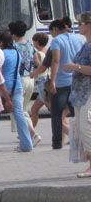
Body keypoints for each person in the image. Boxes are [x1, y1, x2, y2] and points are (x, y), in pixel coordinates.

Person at [33, 18, 84, 150]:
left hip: (61, 83)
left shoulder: (56, 41)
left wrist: (53, 81)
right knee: (76, 114)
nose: (52, 35)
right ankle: (81, 141)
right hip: (76, 81)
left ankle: (56, 143)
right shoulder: (78, 39)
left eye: (52, 32)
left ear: (55, 29)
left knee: (56, 114)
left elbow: (56, 60)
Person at [61, 12, 91, 177]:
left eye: (80, 24)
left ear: (88, 25)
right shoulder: (85, 44)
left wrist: (75, 67)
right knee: (81, 129)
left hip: (88, 92)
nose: (78, 27)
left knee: (86, 128)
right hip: (80, 93)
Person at [0, 30, 35, 152]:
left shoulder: (1, 54)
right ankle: (27, 144)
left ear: (1, 42)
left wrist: (6, 97)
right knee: (20, 115)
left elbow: (0, 74)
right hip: (17, 86)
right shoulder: (17, 53)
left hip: (4, 88)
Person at [29, 32, 51, 130]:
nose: (33, 44)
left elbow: (38, 66)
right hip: (48, 79)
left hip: (43, 82)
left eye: (34, 42)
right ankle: (30, 131)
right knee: (34, 109)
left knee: (52, 110)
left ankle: (67, 131)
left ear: (37, 42)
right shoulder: (47, 51)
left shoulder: (37, 54)